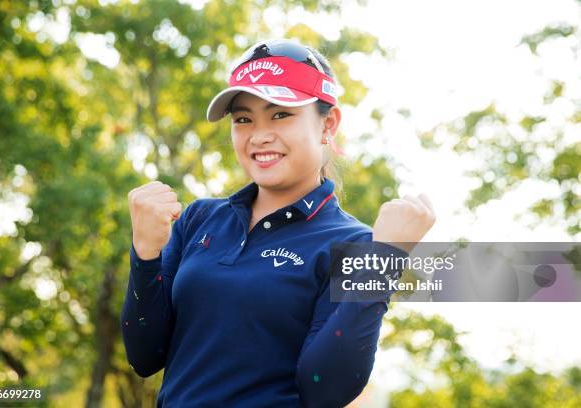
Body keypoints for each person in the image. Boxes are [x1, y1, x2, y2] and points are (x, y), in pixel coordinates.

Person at [122, 38, 435, 407]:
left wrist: (383, 260)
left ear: (328, 124)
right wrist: (145, 253)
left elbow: (325, 389)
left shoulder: (354, 245)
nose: (259, 135)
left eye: (281, 114)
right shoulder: (199, 219)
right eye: (243, 119)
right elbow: (144, 355)